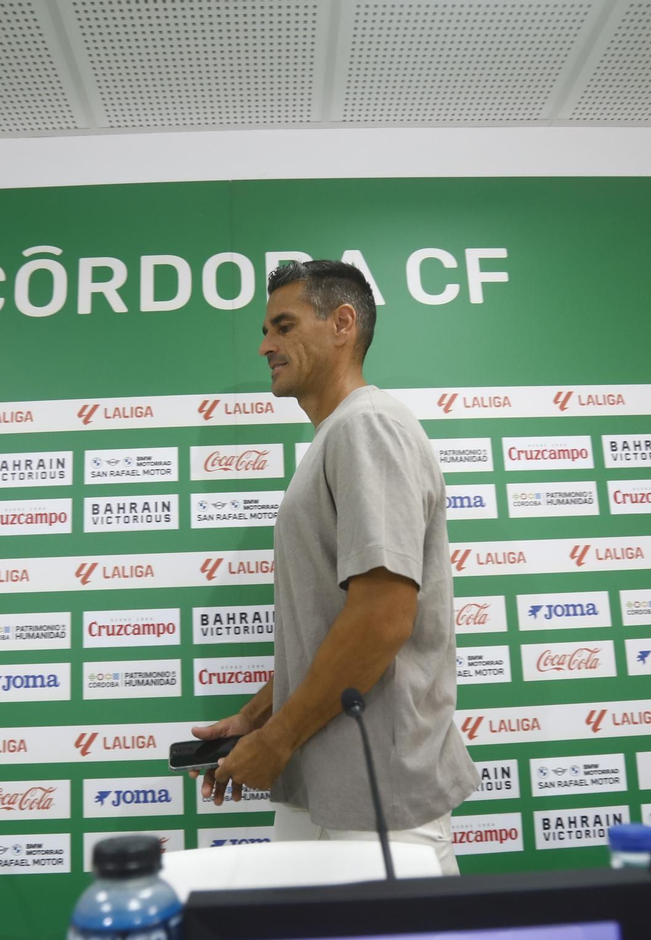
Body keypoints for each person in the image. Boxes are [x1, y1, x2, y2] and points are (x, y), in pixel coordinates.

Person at [192, 259, 477, 874]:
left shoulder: (367, 428)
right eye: (265, 330)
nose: (265, 345)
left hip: (377, 803)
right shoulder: (337, 436)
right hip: (327, 788)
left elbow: (380, 619)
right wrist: (255, 717)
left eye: (283, 325)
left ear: (343, 323)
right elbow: (333, 625)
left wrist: (276, 740)